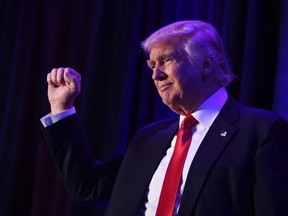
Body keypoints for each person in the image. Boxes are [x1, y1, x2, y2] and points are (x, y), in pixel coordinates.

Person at [40, 20, 288, 216]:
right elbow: (89, 187)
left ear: (206, 64)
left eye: (167, 60)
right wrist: (61, 109)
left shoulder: (260, 131)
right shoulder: (149, 139)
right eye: (151, 66)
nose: (156, 75)